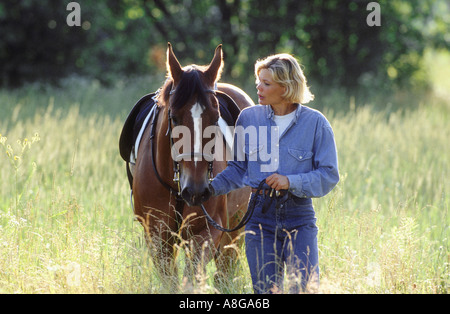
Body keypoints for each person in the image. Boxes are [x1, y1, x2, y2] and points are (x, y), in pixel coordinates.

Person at [210, 53, 339, 293]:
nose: (258, 87)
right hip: (259, 218)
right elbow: (238, 169)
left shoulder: (316, 123)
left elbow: (329, 175)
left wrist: (290, 181)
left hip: (299, 218)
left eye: (266, 83)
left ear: (286, 88)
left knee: (303, 289)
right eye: (259, 81)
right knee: (264, 292)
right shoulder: (248, 118)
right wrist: (209, 188)